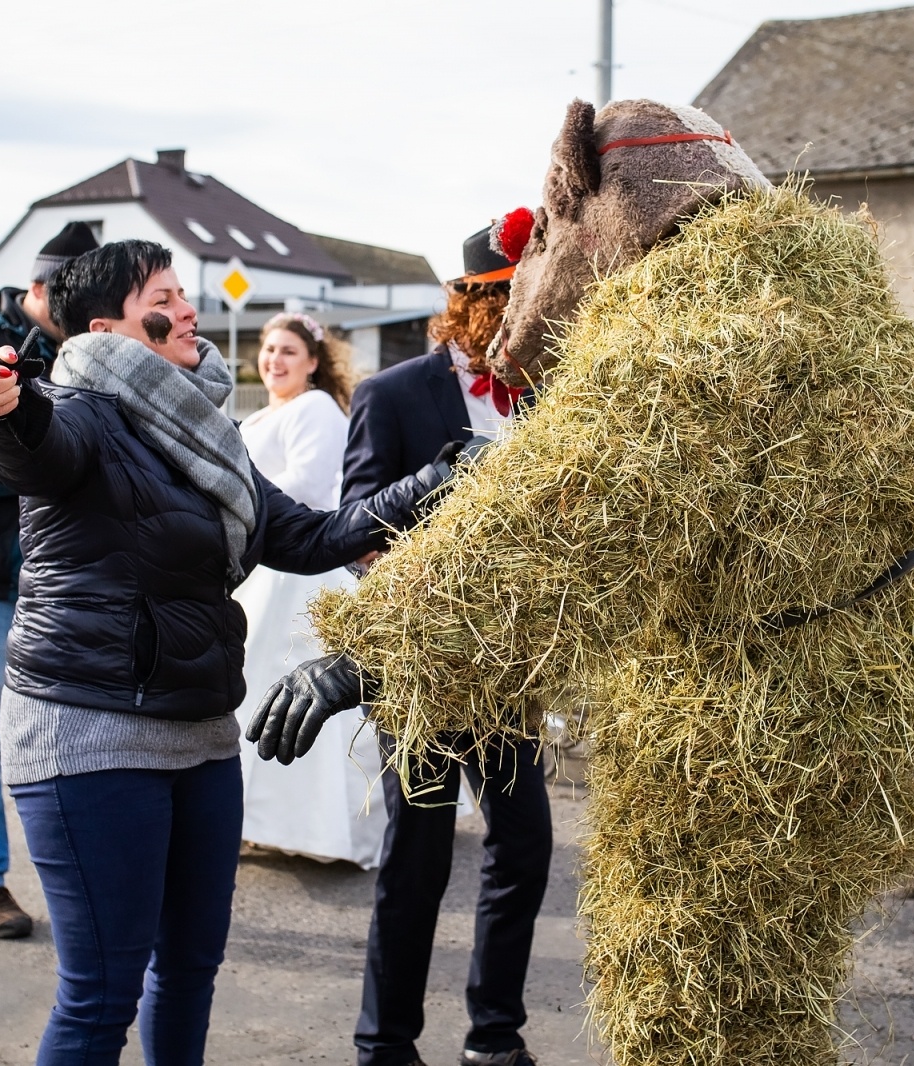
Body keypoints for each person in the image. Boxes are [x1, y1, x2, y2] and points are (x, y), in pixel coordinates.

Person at [0, 238, 462, 1066]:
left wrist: (438, 480)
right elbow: (36, 449)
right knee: (101, 996)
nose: (189, 308)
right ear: (109, 329)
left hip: (197, 735)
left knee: (190, 969)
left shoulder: (204, 432)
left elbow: (307, 534)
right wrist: (2, 409)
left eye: (185, 291)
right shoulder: (79, 410)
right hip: (89, 736)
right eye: (164, 295)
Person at [252, 216, 551, 1066]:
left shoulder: (542, 395)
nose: (527, 316)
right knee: (416, 858)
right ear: (472, 304)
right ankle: (385, 1044)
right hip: (417, 662)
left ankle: (495, 1036)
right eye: (511, 300)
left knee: (524, 845)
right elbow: (354, 530)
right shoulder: (394, 393)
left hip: (505, 664)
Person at [0, 220, 98, 938]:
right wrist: (53, 471)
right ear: (36, 289)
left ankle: (86, 882)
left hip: (58, 580)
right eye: (68, 293)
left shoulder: (77, 358)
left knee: (73, 734)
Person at [234, 312, 387, 868]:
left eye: (288, 352)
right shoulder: (259, 415)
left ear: (314, 363)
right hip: (260, 568)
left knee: (304, 691)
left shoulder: (316, 409)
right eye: (269, 349)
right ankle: (252, 817)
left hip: (301, 563)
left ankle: (328, 828)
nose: (274, 360)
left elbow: (310, 485)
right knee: (249, 692)